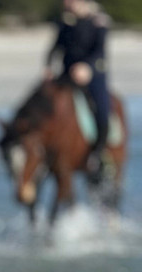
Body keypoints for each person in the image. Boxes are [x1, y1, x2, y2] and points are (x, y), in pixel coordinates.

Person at [44, 0, 112, 181]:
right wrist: (49, 66)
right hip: (67, 75)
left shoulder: (98, 22)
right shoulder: (65, 23)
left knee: (102, 111)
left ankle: (98, 154)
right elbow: (56, 47)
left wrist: (86, 67)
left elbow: (100, 52)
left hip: (92, 76)